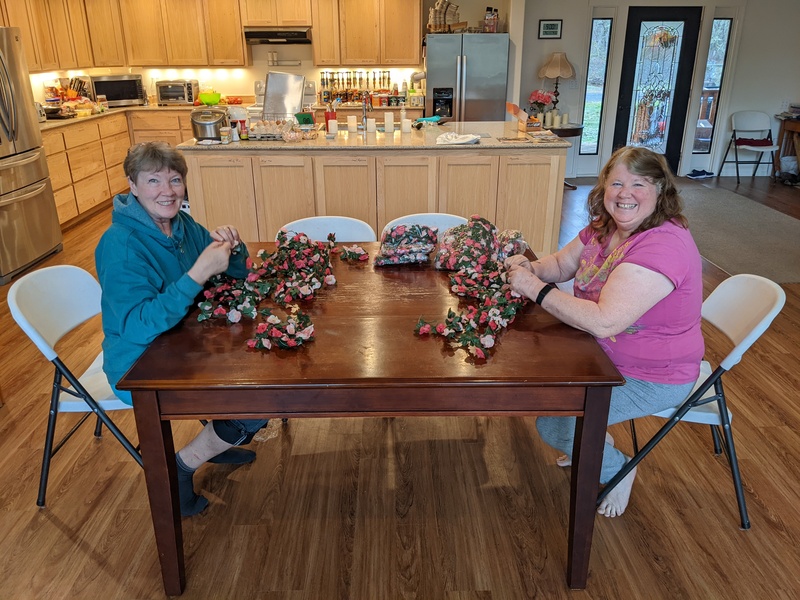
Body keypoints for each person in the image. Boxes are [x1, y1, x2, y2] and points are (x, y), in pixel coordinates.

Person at [505, 146, 704, 518]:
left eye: (638, 184)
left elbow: (605, 321)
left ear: (660, 189)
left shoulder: (662, 245)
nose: (624, 194)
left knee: (553, 423)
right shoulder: (607, 226)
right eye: (616, 183)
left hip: (649, 376)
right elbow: (563, 263)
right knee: (538, 385)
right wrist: (531, 268)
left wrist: (534, 289)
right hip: (596, 354)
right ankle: (592, 441)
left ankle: (618, 468)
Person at [96, 141, 268, 517]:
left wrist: (232, 249)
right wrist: (196, 275)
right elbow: (137, 326)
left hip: (185, 340)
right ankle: (181, 465)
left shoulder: (182, 224)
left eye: (175, 180)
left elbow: (233, 270)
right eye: (154, 180)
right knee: (260, 400)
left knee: (262, 372)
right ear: (133, 185)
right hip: (140, 364)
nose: (167, 191)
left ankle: (220, 434)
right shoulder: (121, 245)